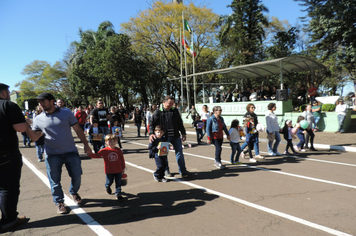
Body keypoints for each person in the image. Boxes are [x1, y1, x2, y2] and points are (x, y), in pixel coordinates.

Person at [29, 92, 93, 214]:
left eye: (43, 101)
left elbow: (78, 129)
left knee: (77, 176)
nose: (40, 104)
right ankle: (59, 202)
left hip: (70, 151)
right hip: (52, 154)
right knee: (54, 180)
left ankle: (73, 192)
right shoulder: (38, 118)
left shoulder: (66, 113)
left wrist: (86, 144)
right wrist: (27, 129)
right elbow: (35, 137)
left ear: (51, 101)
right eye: (39, 102)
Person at [0, 83, 37, 231]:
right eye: (8, 92)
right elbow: (21, 128)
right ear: (3, 93)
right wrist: (27, 123)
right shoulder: (8, 105)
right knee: (8, 188)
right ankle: (9, 220)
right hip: (6, 153)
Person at [149, 95, 191, 178]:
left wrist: (183, 133)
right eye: (169, 103)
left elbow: (180, 123)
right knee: (164, 154)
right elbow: (152, 123)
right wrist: (151, 133)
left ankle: (183, 171)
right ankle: (166, 170)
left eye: (172, 103)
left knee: (179, 153)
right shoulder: (158, 112)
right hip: (164, 137)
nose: (171, 105)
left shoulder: (175, 111)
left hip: (175, 136)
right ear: (164, 102)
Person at [90, 134, 126, 201]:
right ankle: (107, 186)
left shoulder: (118, 150)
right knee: (109, 181)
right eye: (110, 141)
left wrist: (123, 168)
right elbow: (97, 155)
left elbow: (122, 160)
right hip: (109, 170)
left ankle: (118, 193)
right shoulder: (104, 150)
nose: (112, 143)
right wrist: (90, 154)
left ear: (116, 141)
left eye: (114, 141)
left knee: (118, 182)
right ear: (106, 142)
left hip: (118, 170)